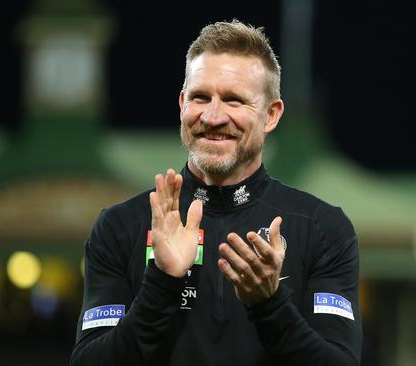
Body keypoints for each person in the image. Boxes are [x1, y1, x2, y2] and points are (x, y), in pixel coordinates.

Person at [71, 20, 362, 366]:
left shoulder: (323, 228)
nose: (212, 116)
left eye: (234, 101)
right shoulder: (120, 227)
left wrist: (269, 303)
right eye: (200, 97)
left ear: (271, 115)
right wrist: (161, 282)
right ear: (182, 105)